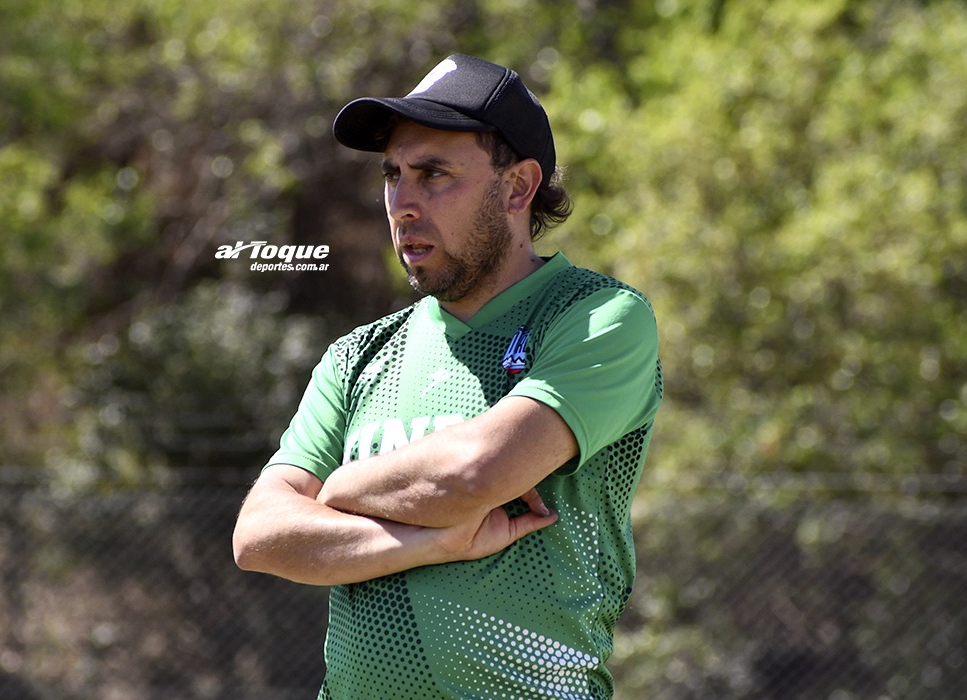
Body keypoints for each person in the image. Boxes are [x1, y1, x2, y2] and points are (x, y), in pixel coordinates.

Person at [233, 53, 663, 699]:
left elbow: (473, 475)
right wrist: (429, 543)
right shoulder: (358, 354)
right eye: (393, 176)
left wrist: (339, 487)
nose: (402, 205)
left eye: (433, 175)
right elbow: (262, 536)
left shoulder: (598, 314)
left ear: (518, 188)